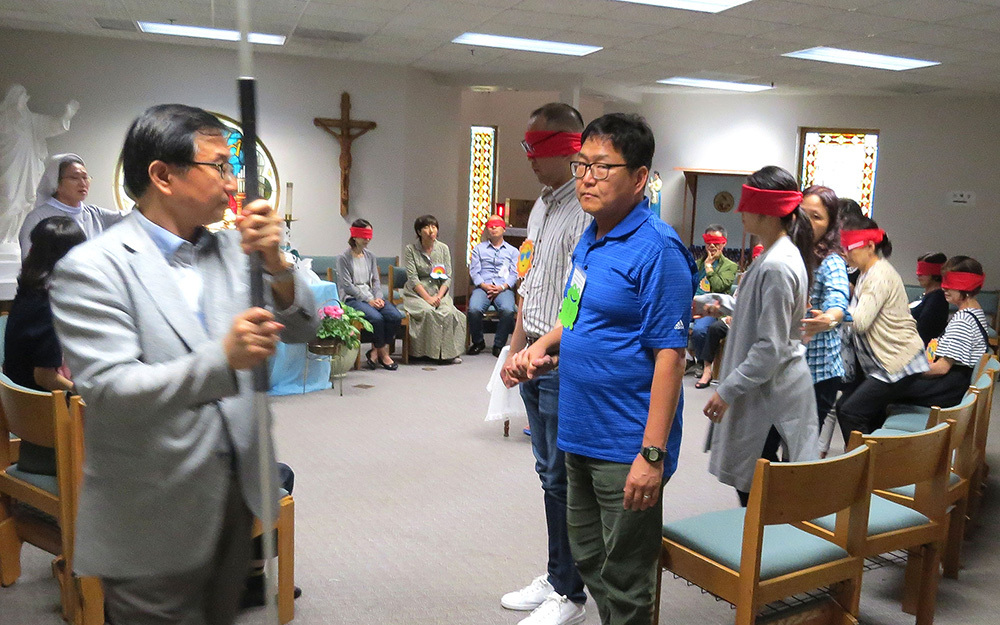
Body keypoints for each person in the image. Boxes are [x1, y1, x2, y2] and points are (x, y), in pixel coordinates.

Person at [48, 103, 318, 625]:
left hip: (237, 497)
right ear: (163, 175)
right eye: (219, 166)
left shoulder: (236, 250)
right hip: (153, 511)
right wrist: (223, 360)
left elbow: (305, 328)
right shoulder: (92, 268)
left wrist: (277, 265)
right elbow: (110, 391)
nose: (233, 182)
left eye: (232, 167)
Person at [509, 113, 694, 625]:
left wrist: (651, 455)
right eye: (581, 164)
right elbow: (574, 310)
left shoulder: (659, 251)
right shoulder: (591, 236)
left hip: (625, 441)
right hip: (578, 428)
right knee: (590, 557)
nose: (586, 178)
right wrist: (541, 346)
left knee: (628, 577)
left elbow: (671, 358)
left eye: (602, 167)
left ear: (639, 178)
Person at [499, 102, 590, 625]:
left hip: (559, 358)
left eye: (537, 147)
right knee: (547, 473)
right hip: (532, 350)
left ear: (568, 147)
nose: (529, 157)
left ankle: (570, 594)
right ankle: (557, 576)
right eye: (525, 147)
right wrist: (514, 348)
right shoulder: (541, 206)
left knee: (562, 477)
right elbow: (530, 282)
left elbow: (579, 299)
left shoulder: (584, 210)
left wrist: (541, 350)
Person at [704, 166, 818, 506]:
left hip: (770, 391)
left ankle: (767, 541)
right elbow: (756, 309)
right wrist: (718, 304)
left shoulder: (777, 264)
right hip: (767, 386)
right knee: (759, 485)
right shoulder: (774, 256)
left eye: (747, 203)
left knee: (757, 489)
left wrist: (726, 390)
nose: (740, 211)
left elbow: (770, 346)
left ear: (767, 211)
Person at [2, 216, 85, 475]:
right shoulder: (50, 306)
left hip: (27, 420)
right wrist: (82, 391)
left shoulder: (30, 292)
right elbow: (45, 377)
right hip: (48, 429)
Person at [834, 215, 928, 442]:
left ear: (869, 246)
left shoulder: (878, 275)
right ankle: (875, 457)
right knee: (856, 409)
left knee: (850, 411)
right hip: (886, 362)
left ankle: (862, 461)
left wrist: (833, 313)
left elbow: (860, 322)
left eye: (849, 247)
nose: (845, 253)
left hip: (898, 361)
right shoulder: (867, 273)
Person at [798, 186, 850, 456]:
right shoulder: (789, 252)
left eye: (816, 217)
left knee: (799, 449)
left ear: (830, 225)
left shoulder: (831, 262)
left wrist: (828, 318)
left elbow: (838, 300)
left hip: (818, 374)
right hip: (789, 368)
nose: (807, 222)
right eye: (803, 213)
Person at [19, 153, 124, 259]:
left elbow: (129, 218)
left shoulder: (95, 214)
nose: (83, 183)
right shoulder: (37, 218)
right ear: (56, 183)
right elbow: (30, 261)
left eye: (85, 177)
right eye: (75, 178)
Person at [337, 218, 402, 370]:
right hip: (353, 299)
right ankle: (383, 353)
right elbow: (347, 286)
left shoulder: (370, 256)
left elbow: (375, 281)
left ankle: (375, 351)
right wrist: (368, 300)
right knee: (376, 318)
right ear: (354, 235)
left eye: (369, 235)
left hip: (372, 296)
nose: (367, 239)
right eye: (364, 235)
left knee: (394, 316)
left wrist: (378, 297)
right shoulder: (343, 258)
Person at [402, 214, 465, 362]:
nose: (431, 231)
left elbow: (447, 277)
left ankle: (447, 354)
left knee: (448, 312)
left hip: (438, 292)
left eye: (434, 227)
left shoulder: (443, 248)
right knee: (428, 311)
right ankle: (423, 353)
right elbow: (413, 278)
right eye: (426, 227)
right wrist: (428, 298)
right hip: (417, 293)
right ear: (419, 232)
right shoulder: (411, 249)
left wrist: (438, 297)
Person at [689, 225, 738, 377]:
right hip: (692, 303)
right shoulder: (697, 263)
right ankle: (688, 359)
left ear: (723, 243)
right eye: (708, 241)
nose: (711, 245)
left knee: (699, 331)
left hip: (712, 308)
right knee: (671, 322)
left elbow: (719, 287)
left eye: (716, 242)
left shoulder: (730, 266)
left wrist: (709, 267)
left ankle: (701, 363)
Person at [467, 214, 518, 357]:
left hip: (503, 288)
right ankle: (478, 342)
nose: (494, 227)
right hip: (483, 287)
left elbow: (514, 273)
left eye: (497, 225)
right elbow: (474, 271)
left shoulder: (513, 251)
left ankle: (499, 345)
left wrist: (502, 287)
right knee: (474, 309)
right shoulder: (478, 249)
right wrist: (484, 285)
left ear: (504, 229)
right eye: (490, 225)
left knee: (508, 310)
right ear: (487, 229)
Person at [910, 252, 949, 345]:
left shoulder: (937, 300)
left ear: (935, 274)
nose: (918, 276)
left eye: (923, 273)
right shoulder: (925, 296)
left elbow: (924, 331)